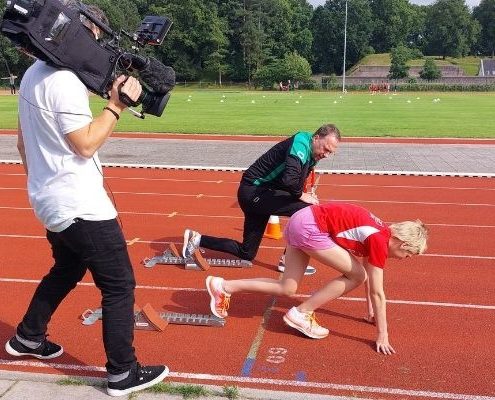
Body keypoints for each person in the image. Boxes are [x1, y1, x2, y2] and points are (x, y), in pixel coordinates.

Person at [5, 2, 169, 396]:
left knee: (66, 269)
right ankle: (122, 373)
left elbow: (23, 144)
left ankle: (28, 337)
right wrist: (116, 106)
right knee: (119, 285)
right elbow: (85, 144)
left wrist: (43, 186)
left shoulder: (32, 74)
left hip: (50, 201)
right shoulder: (64, 81)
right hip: (79, 204)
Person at [204, 202, 428, 355]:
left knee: (287, 287)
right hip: (310, 226)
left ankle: (224, 286)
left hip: (301, 219)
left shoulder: (380, 233)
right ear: (403, 243)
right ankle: (302, 313)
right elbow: (377, 292)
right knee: (356, 275)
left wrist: (370, 313)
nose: (405, 259)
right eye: (408, 254)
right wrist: (383, 334)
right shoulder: (379, 240)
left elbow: (372, 280)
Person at [182, 124, 341, 274]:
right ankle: (288, 261)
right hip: (254, 192)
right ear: (316, 138)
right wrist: (301, 195)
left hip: (262, 195)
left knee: (247, 253)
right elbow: (289, 181)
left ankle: (197, 239)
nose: (326, 155)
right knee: (307, 210)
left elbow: (294, 182)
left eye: (330, 153)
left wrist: (305, 195)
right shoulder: (301, 144)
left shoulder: (312, 152)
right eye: (326, 149)